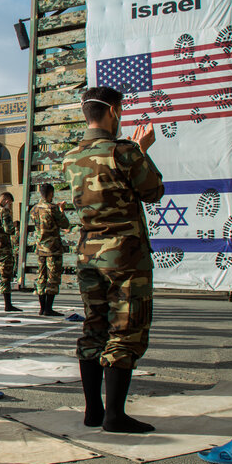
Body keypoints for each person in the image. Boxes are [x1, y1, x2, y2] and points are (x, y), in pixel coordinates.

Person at [63, 86, 163, 434]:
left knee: (94, 327)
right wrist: (142, 150)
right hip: (124, 256)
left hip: (89, 254)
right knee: (125, 329)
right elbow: (153, 191)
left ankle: (93, 410)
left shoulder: (71, 156)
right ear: (115, 112)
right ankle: (115, 416)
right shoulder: (124, 152)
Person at [29, 183, 70, 317]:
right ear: (51, 193)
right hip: (53, 248)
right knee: (53, 278)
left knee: (41, 277)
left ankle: (42, 307)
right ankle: (48, 308)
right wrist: (61, 209)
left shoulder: (34, 209)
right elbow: (65, 224)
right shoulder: (53, 208)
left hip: (40, 248)